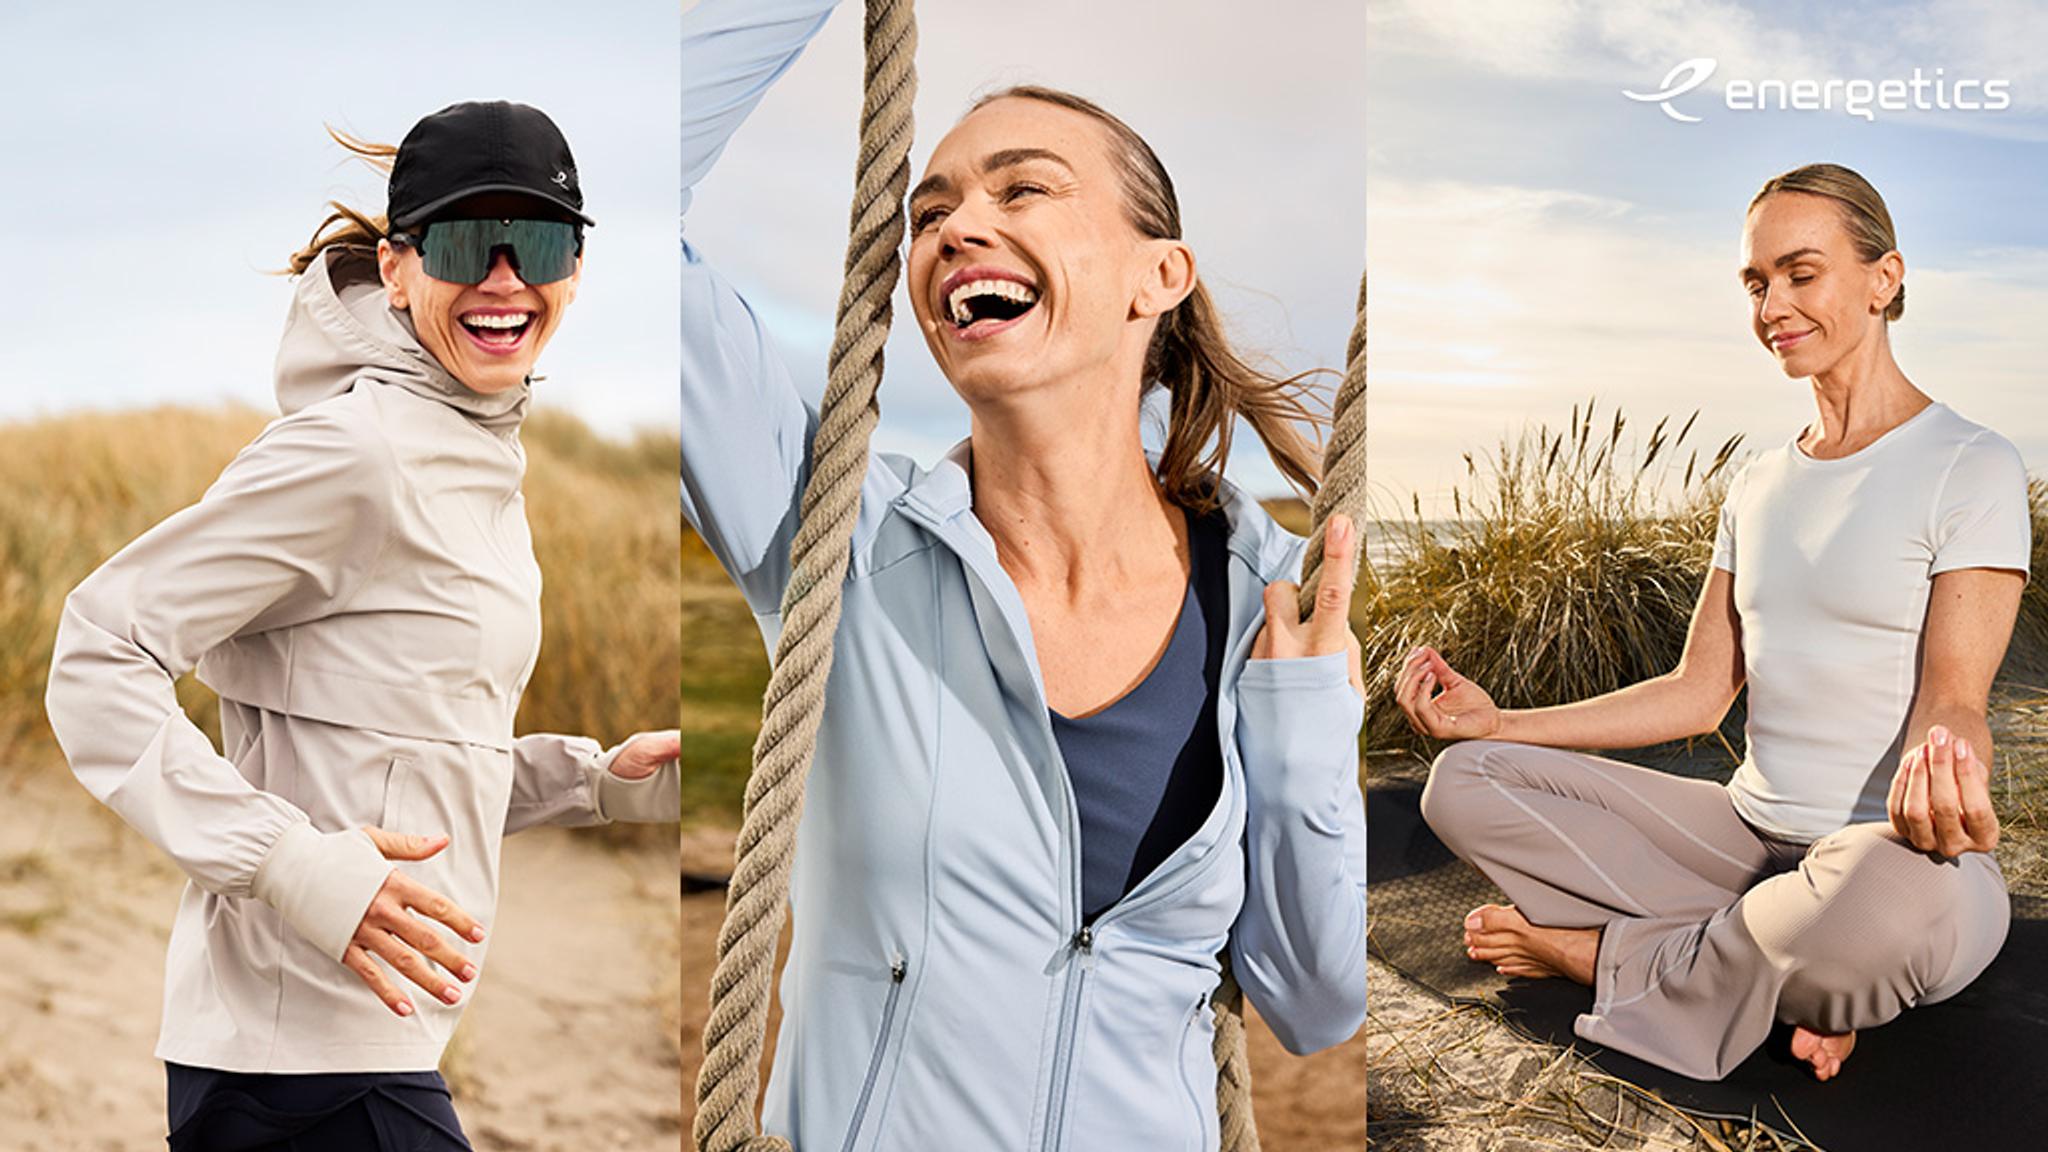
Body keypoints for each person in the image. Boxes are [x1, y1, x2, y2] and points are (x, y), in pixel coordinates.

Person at [682, 3, 1367, 1148]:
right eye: (931, 210)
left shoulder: (1272, 598)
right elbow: (615, 175)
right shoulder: (835, 536)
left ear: (1161, 273)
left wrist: (1299, 725)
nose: (956, 228)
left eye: (1021, 190)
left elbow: (1312, 1004)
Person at [45, 101, 681, 1151]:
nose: (506, 278)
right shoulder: (357, 452)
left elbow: (395, 748)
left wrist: (593, 780)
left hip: (343, 1053)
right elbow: (96, 651)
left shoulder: (474, 454)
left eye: (542, 241)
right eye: (469, 243)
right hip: (307, 1066)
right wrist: (291, 864)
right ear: (397, 268)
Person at [1402, 162, 2028, 1083]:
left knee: (1875, 916)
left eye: (1801, 273)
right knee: (1462, 779)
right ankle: (1785, 977)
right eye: (1755, 281)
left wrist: (1953, 770)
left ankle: (1594, 958)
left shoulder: (1969, 464)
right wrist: (1500, 723)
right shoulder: (1758, 483)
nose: (1773, 303)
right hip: (1740, 840)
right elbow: (1699, 693)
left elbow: (1954, 699)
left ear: (1883, 279)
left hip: (1890, 862)